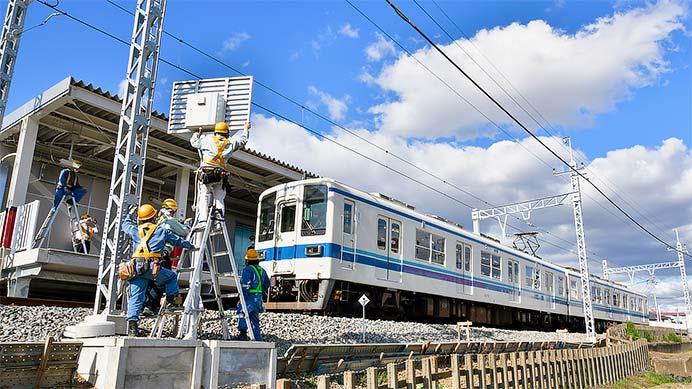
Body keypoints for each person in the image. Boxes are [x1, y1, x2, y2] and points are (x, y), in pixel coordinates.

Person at [121, 204, 194, 336]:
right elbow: (178, 241)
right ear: (154, 217)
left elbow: (125, 225)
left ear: (140, 219)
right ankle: (172, 298)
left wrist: (129, 214)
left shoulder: (135, 230)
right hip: (152, 267)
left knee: (136, 297)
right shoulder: (161, 231)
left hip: (136, 268)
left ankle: (132, 326)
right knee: (171, 277)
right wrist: (190, 245)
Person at [190, 121, 250, 222]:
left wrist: (197, 133)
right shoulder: (231, 143)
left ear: (215, 132)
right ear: (226, 133)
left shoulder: (207, 140)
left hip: (207, 173)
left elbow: (194, 142)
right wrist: (246, 129)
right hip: (221, 176)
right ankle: (218, 221)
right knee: (219, 199)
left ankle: (203, 220)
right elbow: (243, 140)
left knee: (204, 195)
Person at [143, 198, 191, 314]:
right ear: (172, 210)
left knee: (150, 281)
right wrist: (188, 224)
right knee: (163, 280)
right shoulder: (169, 220)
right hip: (162, 255)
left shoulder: (158, 220)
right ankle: (157, 306)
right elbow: (184, 232)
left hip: (150, 254)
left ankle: (146, 305)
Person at [235, 248, 270, 341]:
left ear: (247, 260)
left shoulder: (247, 270)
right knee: (255, 320)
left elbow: (245, 285)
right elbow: (267, 284)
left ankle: (242, 334)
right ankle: (257, 339)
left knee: (242, 312)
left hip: (249, 298)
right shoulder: (262, 270)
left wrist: (241, 298)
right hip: (258, 299)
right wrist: (260, 292)